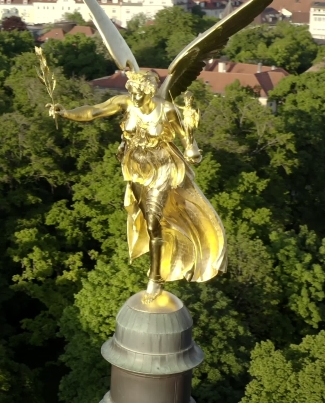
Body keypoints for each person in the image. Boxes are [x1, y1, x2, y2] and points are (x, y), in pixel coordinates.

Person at [49, 71, 226, 302]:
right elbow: (94, 110)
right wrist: (66, 114)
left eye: (138, 92)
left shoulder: (167, 110)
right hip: (135, 169)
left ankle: (155, 277)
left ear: (149, 91)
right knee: (144, 219)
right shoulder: (125, 103)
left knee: (153, 221)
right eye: (131, 91)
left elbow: (187, 138)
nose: (133, 95)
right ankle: (162, 255)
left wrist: (193, 151)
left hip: (162, 169)